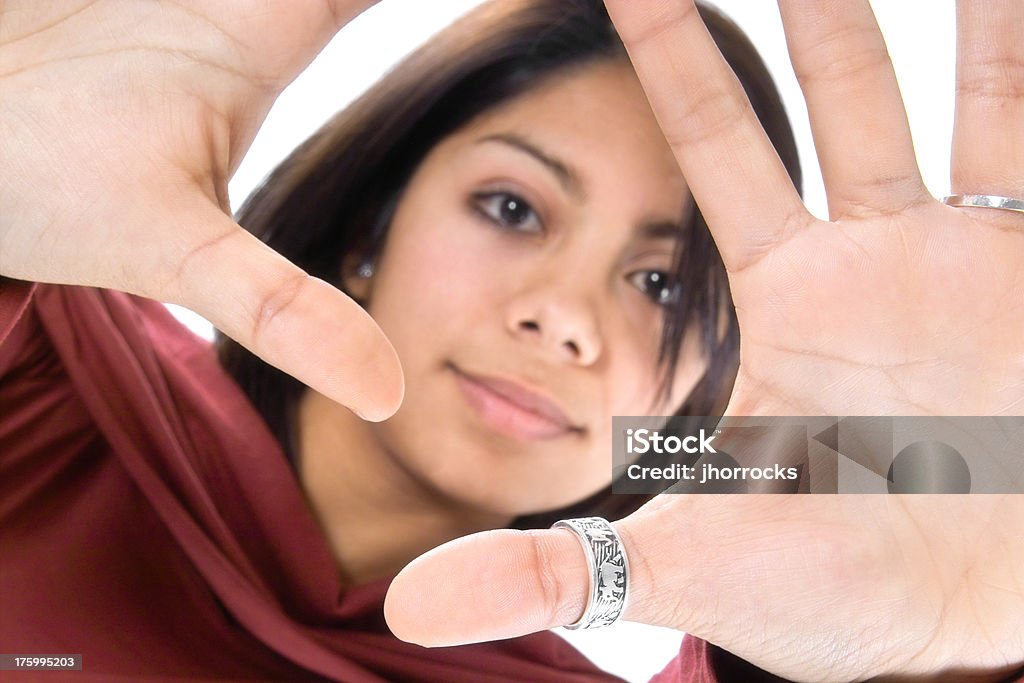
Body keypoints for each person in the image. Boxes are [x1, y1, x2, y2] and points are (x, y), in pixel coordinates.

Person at [0, 2, 1021, 683]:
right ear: (371, 225)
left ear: (692, 400)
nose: (565, 318)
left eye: (661, 284)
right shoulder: (41, 371)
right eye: (511, 206)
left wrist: (938, 650)